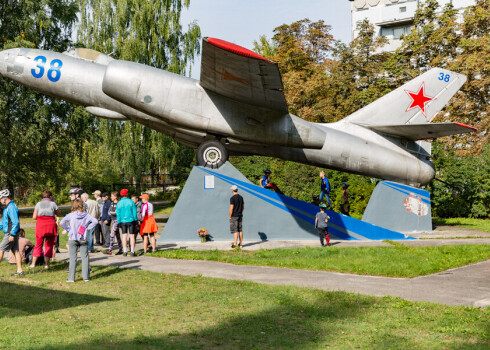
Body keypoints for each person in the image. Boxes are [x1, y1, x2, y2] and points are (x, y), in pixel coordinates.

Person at [60, 199, 98, 282]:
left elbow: (62, 222)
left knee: (73, 258)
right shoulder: (86, 215)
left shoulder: (71, 215)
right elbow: (95, 221)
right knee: (85, 258)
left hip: (72, 238)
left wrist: (68, 229)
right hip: (83, 238)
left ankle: (71, 278)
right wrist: (87, 228)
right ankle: (86, 277)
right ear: (82, 206)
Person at [30, 190, 61, 269]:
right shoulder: (53, 204)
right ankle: (46, 264)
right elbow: (58, 214)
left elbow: (34, 217)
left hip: (40, 225)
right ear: (50, 197)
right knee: (49, 245)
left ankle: (33, 264)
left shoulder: (38, 204)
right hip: (51, 225)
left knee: (38, 245)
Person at [0, 189, 24, 276]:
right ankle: (20, 271)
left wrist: (12, 234)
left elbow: (15, 222)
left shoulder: (11, 207)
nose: (0, 201)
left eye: (1, 199)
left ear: (5, 198)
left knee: (1, 249)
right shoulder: (6, 208)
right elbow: (3, 222)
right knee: (16, 251)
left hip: (11, 233)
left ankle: (20, 271)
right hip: (12, 233)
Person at [116, 189, 138, 256]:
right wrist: (135, 219)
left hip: (123, 221)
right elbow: (134, 212)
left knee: (124, 235)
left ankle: (125, 251)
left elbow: (118, 213)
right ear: (127, 194)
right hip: (131, 220)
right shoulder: (131, 201)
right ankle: (132, 251)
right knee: (132, 236)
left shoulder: (119, 203)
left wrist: (119, 221)